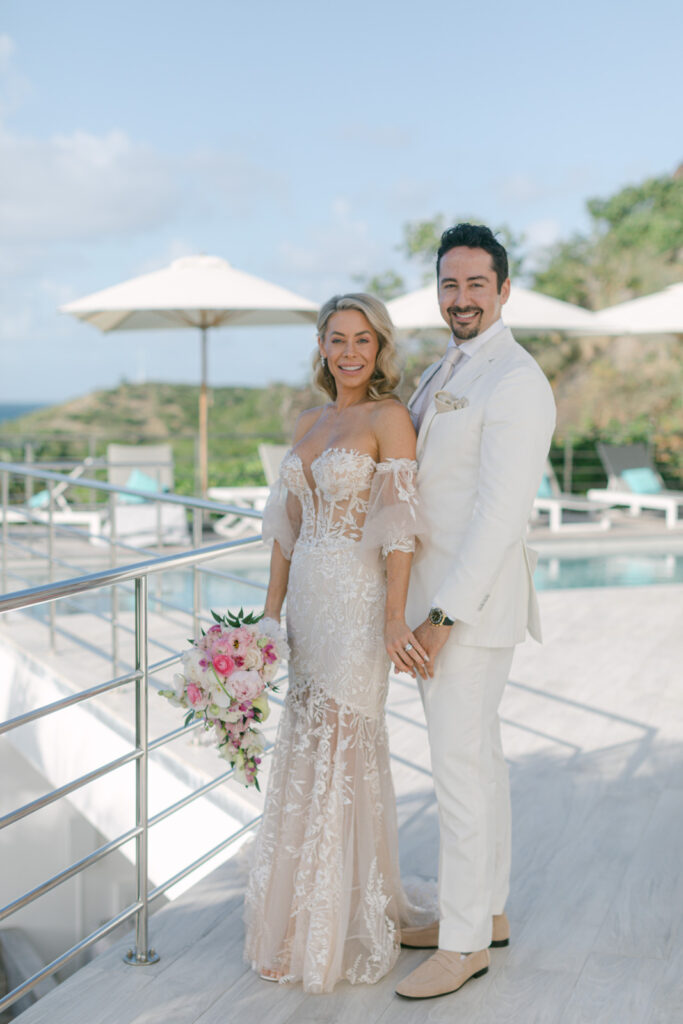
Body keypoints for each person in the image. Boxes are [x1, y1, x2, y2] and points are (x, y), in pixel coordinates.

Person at [244, 293, 432, 993]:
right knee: (304, 745)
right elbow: (285, 529)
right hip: (306, 608)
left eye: (363, 340)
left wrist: (392, 617)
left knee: (344, 748)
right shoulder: (308, 420)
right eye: (337, 339)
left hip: (356, 606)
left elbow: (400, 529)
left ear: (380, 348)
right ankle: (292, 922)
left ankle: (334, 927)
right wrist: (269, 615)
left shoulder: (390, 419)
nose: (349, 351)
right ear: (321, 346)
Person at [395, 224, 556, 1000]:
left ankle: (460, 946)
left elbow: (498, 517)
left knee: (456, 772)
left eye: (474, 286)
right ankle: (483, 910)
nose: (460, 299)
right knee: (480, 766)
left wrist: (438, 616)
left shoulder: (515, 380)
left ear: (502, 289)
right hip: (435, 598)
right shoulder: (444, 368)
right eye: (448, 285)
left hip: (465, 611)